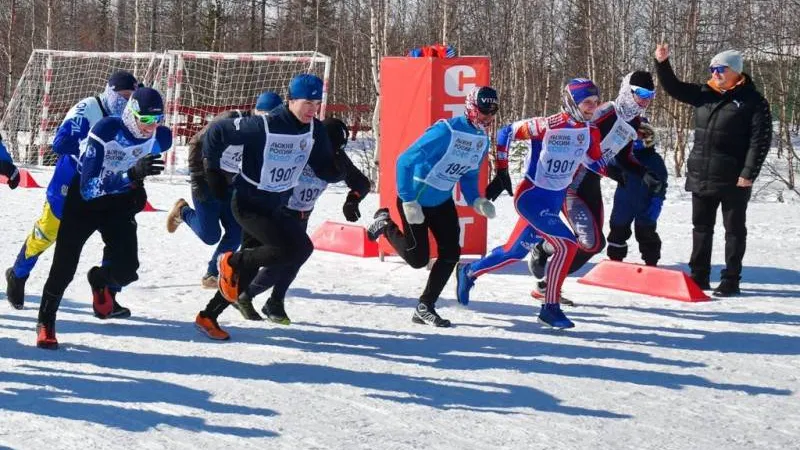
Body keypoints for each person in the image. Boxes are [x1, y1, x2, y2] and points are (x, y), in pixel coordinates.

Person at [193, 73, 342, 340]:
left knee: (291, 252)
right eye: (307, 102)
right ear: (290, 100)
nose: (313, 108)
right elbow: (217, 132)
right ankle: (230, 260)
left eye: (317, 102)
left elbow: (322, 166)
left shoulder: (314, 129)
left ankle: (208, 316)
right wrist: (212, 171)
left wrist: (337, 172)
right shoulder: (265, 124)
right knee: (282, 250)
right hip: (248, 203)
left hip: (275, 205)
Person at [456, 79, 605, 329]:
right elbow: (505, 133)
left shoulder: (591, 131)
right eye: (587, 102)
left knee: (514, 252)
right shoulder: (545, 126)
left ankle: (469, 272)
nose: (592, 107)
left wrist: (625, 172)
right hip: (532, 197)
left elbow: (596, 161)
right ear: (572, 102)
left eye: (596, 102)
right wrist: (502, 170)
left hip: (554, 199)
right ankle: (550, 308)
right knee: (567, 245)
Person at [35, 87, 172, 349]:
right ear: (131, 114)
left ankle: (100, 280)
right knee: (64, 266)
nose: (150, 128)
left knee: (127, 270)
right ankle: (46, 321)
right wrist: (130, 175)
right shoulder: (106, 131)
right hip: (85, 201)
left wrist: (134, 184)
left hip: (119, 203)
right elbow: (89, 189)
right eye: (145, 120)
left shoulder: (161, 138)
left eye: (156, 121)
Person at [366, 86, 499, 328]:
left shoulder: (481, 139)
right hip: (415, 200)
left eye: (492, 112)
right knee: (418, 259)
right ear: (471, 107)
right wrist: (408, 200)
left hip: (442, 201)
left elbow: (469, 176)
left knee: (450, 254)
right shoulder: (446, 130)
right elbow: (404, 161)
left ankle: (425, 306)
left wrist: (476, 201)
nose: (488, 117)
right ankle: (385, 224)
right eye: (483, 111)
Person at [5, 71, 137, 311]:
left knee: (118, 239)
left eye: (131, 98)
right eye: (122, 96)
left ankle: (107, 294)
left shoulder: (132, 117)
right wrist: (91, 149)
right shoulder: (88, 108)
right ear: (110, 92)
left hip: (107, 188)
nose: (125, 103)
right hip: (70, 183)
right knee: (47, 233)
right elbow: (60, 142)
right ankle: (19, 272)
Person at [525, 71, 664, 294]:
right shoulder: (604, 112)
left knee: (595, 244)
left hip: (591, 184)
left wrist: (643, 172)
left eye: (651, 94)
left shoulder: (634, 122)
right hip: (571, 183)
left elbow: (624, 157)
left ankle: (547, 262)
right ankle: (547, 273)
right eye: (641, 93)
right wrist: (610, 171)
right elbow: (579, 145)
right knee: (589, 242)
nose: (646, 99)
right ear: (627, 91)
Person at [655, 44, 772, 296]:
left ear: (735, 71)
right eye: (712, 68)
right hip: (702, 174)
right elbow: (673, 87)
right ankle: (698, 276)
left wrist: (748, 172)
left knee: (734, 230)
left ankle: (731, 279)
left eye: (721, 69)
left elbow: (759, 140)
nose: (715, 73)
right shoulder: (703, 93)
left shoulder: (753, 101)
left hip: (734, 178)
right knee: (701, 228)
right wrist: (662, 63)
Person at [231, 116, 371, 321]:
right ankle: (247, 292)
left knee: (293, 259)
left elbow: (361, 183)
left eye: (334, 151)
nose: (329, 155)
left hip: (302, 214)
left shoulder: (337, 158)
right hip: (278, 211)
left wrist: (352, 200)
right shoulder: (301, 148)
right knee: (285, 255)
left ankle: (269, 300)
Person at [165, 90, 284, 289]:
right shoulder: (231, 120)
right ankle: (183, 212)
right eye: (264, 118)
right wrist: (197, 177)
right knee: (210, 236)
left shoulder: (272, 135)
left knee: (235, 232)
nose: (267, 125)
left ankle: (212, 274)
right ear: (256, 112)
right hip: (206, 180)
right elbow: (196, 142)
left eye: (273, 120)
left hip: (232, 186)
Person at [607, 121, 668, 265]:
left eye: (642, 135)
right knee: (617, 229)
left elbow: (661, 183)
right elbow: (608, 164)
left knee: (646, 231)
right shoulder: (621, 157)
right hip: (624, 201)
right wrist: (611, 171)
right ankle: (615, 260)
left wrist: (657, 200)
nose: (638, 138)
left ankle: (651, 261)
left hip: (647, 202)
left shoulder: (654, 159)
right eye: (635, 135)